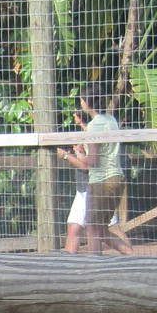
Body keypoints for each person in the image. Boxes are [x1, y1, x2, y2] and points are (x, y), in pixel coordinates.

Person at [55, 91, 130, 255]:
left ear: (86, 102)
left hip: (101, 181)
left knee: (94, 229)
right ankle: (133, 258)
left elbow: (91, 162)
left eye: (81, 100)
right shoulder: (110, 120)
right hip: (115, 177)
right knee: (98, 229)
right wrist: (83, 128)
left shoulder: (95, 126)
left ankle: (96, 263)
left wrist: (70, 155)